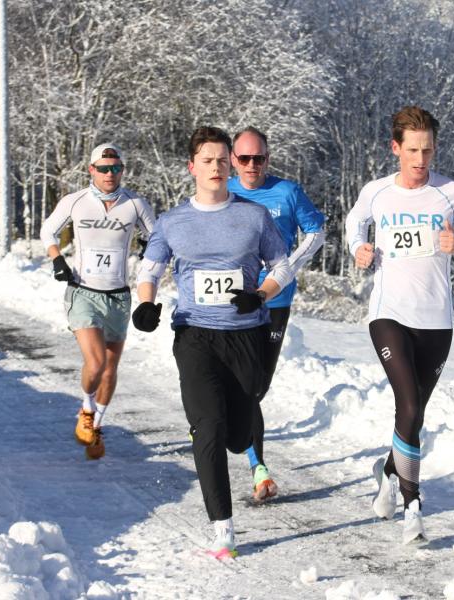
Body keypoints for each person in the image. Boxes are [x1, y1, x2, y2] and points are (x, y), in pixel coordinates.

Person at [132, 126, 292, 559]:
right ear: (192, 167)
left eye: (224, 160)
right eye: (208, 160)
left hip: (245, 336)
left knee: (238, 434)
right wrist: (146, 305)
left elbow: (284, 266)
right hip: (195, 334)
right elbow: (148, 271)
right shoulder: (172, 222)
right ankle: (223, 528)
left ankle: (239, 442)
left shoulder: (253, 217)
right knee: (209, 427)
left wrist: (260, 294)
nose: (217, 167)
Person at [344, 106, 454, 544]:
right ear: (396, 148)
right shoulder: (378, 192)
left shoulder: (452, 194)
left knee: (415, 415)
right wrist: (358, 248)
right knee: (407, 406)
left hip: (436, 321)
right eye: (412, 150)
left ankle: (388, 469)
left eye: (427, 150)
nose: (421, 160)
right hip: (389, 314)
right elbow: (355, 221)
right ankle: (413, 507)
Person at [40, 143, 156, 460]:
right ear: (91, 170)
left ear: (122, 170)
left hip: (118, 296)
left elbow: (157, 236)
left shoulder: (134, 203)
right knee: (96, 363)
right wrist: (57, 260)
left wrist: (151, 250)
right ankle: (86, 410)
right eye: (103, 168)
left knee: (109, 369)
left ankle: (96, 428)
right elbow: (47, 231)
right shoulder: (75, 201)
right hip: (83, 292)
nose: (110, 174)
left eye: (116, 168)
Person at [228, 126, 325, 502]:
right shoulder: (224, 191)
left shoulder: (287, 192)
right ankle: (259, 469)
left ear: (269, 158)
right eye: (245, 158)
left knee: (258, 388)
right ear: (233, 159)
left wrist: (288, 268)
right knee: (244, 386)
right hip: (234, 302)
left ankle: (229, 426)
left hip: (276, 302)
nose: (252, 165)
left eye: (260, 158)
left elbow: (316, 232)